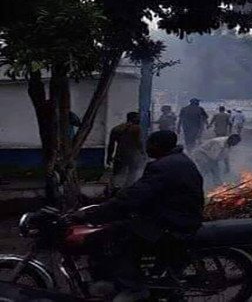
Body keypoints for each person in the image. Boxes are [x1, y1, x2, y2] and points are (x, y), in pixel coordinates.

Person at [73, 130, 204, 302]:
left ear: (159, 145)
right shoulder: (178, 160)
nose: (147, 147)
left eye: (150, 143)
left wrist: (95, 213)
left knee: (120, 239)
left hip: (173, 222)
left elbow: (135, 196)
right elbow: (147, 192)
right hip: (178, 216)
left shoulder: (162, 167)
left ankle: (132, 288)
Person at [107, 112, 144, 192]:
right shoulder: (136, 128)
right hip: (133, 155)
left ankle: (115, 189)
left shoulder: (116, 128)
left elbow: (111, 144)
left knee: (117, 173)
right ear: (133, 118)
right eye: (138, 118)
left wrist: (109, 156)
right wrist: (143, 153)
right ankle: (127, 189)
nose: (139, 119)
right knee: (132, 173)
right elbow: (139, 143)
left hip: (120, 154)